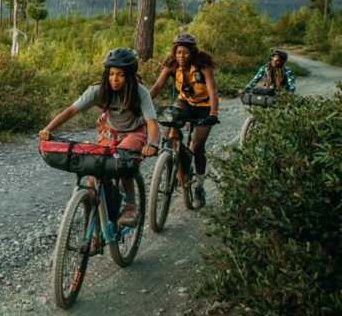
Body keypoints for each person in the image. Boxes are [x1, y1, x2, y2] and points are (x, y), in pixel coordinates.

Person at [39, 48, 160, 227]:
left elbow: (152, 123)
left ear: (129, 76)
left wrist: (152, 143)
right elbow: (72, 110)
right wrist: (48, 128)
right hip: (109, 134)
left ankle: (131, 206)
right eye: (111, 74)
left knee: (123, 159)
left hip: (134, 133)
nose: (114, 79)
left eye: (120, 75)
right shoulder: (98, 90)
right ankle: (94, 232)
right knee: (93, 177)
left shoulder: (140, 92)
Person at [148, 33, 219, 207]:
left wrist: (214, 113)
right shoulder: (172, 65)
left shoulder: (203, 66)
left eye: (185, 52)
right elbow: (157, 86)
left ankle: (200, 187)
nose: (181, 56)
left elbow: (212, 90)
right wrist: (144, 104)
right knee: (171, 125)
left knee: (198, 146)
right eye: (178, 52)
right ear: (174, 52)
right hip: (185, 102)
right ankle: (177, 159)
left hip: (204, 106)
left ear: (192, 52)